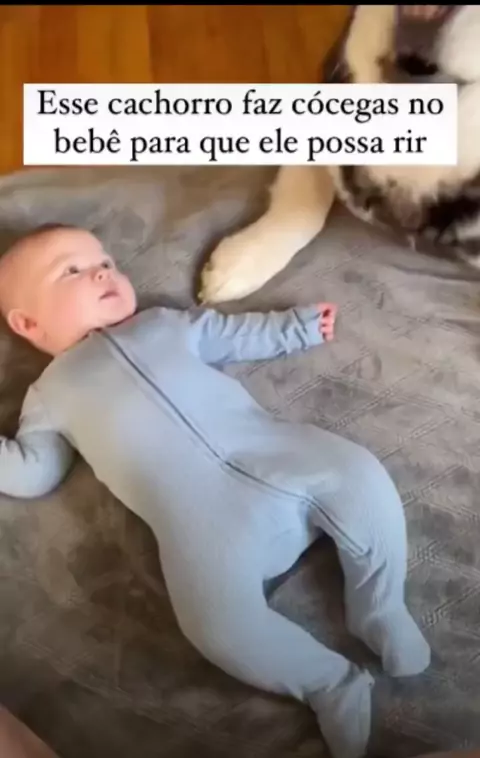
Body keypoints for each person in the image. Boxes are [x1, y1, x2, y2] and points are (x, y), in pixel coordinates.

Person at [0, 225, 431, 758]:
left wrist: (296, 327)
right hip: (201, 526)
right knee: (214, 626)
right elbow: (33, 470)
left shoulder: (162, 324)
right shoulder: (50, 395)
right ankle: (329, 681)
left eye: (106, 261)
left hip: (279, 454)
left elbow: (234, 333)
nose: (102, 273)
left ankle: (379, 606)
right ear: (27, 323)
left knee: (361, 476)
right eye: (72, 270)